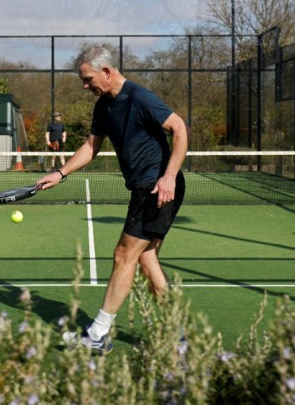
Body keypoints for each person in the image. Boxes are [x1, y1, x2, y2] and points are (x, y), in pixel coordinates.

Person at [36, 46, 188, 353]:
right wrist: (60, 173)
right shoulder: (103, 107)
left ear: (106, 71)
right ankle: (178, 338)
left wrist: (169, 176)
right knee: (145, 260)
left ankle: (98, 334)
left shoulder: (139, 97)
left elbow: (179, 128)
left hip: (157, 186)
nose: (85, 85)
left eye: (88, 78)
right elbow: (91, 147)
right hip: (145, 187)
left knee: (123, 255)